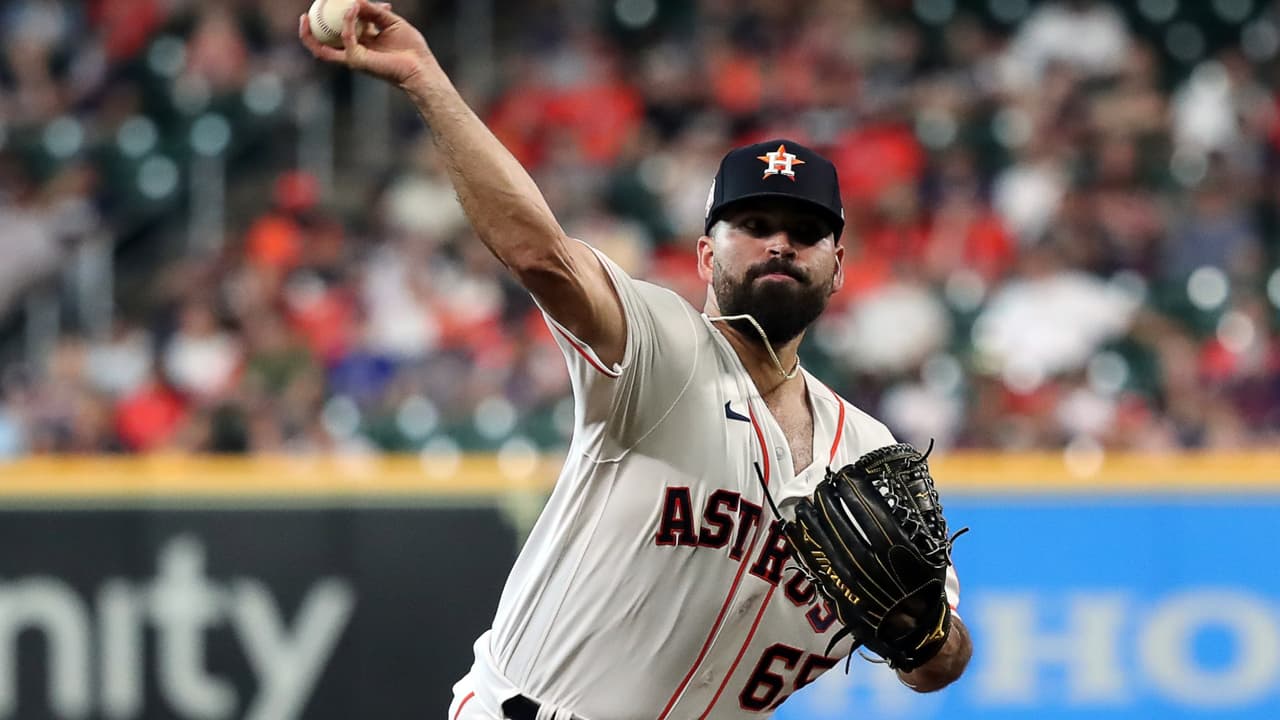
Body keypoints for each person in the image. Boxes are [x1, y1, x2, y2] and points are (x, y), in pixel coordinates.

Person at [299, 3, 972, 717]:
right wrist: (425, 79)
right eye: (754, 225)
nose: (779, 244)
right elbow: (541, 254)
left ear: (838, 268)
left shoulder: (870, 453)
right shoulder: (659, 345)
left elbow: (940, 666)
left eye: (805, 232)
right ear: (707, 255)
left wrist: (920, 632)